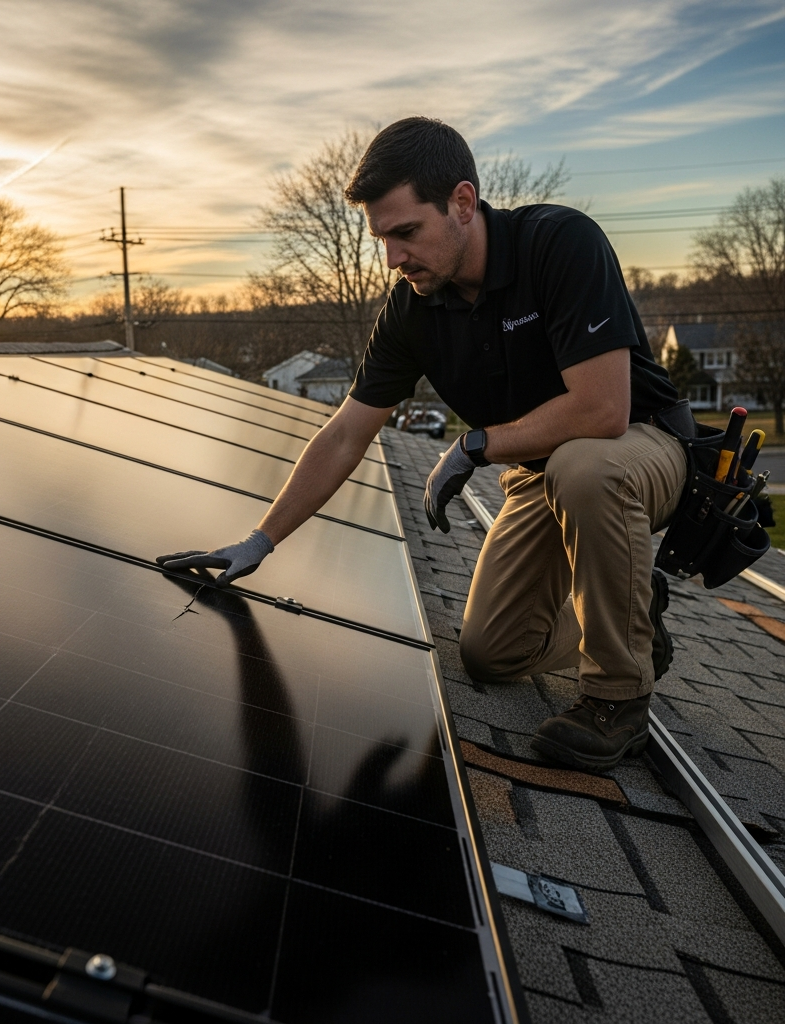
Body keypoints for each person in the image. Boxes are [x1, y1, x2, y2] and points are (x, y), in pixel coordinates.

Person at [158, 117, 688, 772]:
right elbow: (347, 430)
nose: (392, 258)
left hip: (637, 446)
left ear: (462, 203)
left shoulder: (558, 243)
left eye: (406, 233)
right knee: (491, 655)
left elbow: (603, 410)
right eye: (383, 238)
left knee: (584, 466)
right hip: (540, 474)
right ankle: (633, 614)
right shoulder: (413, 306)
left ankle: (617, 698)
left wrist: (473, 446)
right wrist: (260, 539)